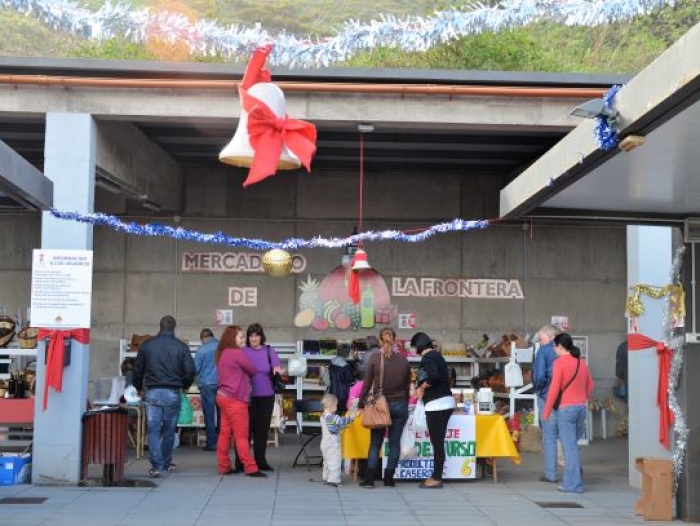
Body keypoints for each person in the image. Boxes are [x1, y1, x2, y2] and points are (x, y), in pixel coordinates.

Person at [133, 315, 195, 478]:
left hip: (152, 392)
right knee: (169, 430)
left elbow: (137, 369)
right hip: (173, 392)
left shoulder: (147, 345)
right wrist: (186, 386)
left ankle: (156, 465)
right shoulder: (181, 347)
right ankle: (166, 462)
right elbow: (190, 371)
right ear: (174, 328)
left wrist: (138, 387)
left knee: (153, 429)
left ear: (159, 327)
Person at [542, 333, 594, 494]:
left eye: (555, 347)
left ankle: (573, 485)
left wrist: (546, 411)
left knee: (569, 447)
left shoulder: (559, 363)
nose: (554, 350)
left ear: (560, 347)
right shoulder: (581, 363)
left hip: (567, 409)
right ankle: (575, 479)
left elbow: (554, 389)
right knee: (572, 446)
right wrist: (581, 397)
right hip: (581, 408)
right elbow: (590, 386)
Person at [358, 331, 411, 488]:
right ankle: (389, 479)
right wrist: (404, 403)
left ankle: (369, 480)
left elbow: (366, 385)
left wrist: (361, 404)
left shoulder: (375, 359)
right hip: (400, 405)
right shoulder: (403, 361)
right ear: (394, 340)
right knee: (394, 443)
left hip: (380, 406)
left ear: (380, 340)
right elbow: (407, 387)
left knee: (375, 443)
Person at [215, 325, 266, 478]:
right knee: (241, 435)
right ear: (233, 338)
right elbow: (252, 369)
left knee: (225, 433)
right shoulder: (237, 353)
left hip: (222, 396)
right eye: (241, 337)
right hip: (235, 399)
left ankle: (224, 466)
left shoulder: (222, 353)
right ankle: (250, 468)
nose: (244, 340)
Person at [234, 323, 282, 472]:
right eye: (251, 335)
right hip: (246, 397)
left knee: (262, 431)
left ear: (261, 336)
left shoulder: (269, 351)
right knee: (245, 431)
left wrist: (278, 371)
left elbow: (277, 367)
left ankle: (261, 461)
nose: (254, 338)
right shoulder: (242, 351)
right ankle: (241, 461)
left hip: (266, 396)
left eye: (257, 335)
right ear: (247, 337)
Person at [411, 331, 455, 489]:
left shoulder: (428, 358)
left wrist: (421, 387)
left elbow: (434, 377)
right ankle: (435, 476)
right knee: (438, 442)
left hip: (437, 404)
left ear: (419, 346)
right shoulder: (437, 356)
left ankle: (436, 478)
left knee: (437, 443)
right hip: (445, 402)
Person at [531, 324, 559, 484]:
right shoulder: (567, 350)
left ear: (549, 336)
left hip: (547, 396)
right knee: (567, 437)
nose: (540, 342)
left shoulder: (544, 350)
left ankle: (551, 474)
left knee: (549, 436)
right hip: (565, 399)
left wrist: (538, 389)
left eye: (541, 339)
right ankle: (574, 471)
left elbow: (540, 375)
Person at [320, 393, 357, 487]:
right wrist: (352, 417)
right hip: (333, 444)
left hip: (324, 443)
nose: (336, 407)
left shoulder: (323, 416)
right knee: (335, 461)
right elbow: (342, 421)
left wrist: (340, 428)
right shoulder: (333, 417)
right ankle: (334, 480)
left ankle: (326, 477)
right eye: (336, 405)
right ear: (331, 405)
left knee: (327, 461)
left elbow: (332, 428)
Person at [195, 328, 219, 451]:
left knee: (209, 415)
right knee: (222, 415)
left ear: (203, 339)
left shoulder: (201, 349)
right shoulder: (223, 347)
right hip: (222, 385)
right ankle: (222, 442)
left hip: (207, 385)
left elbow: (196, 369)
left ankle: (211, 444)